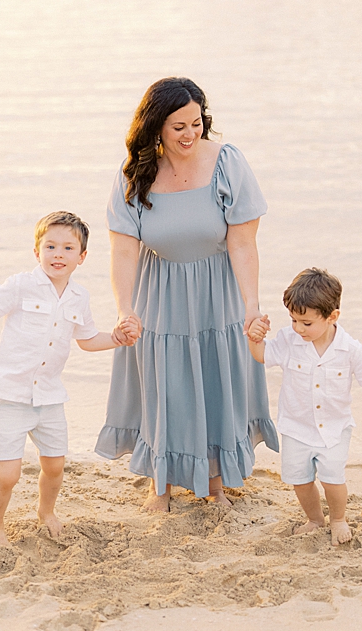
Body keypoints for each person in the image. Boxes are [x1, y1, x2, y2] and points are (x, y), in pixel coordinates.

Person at [95, 77, 280, 511]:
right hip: (159, 292)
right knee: (166, 385)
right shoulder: (134, 174)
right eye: (178, 126)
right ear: (156, 126)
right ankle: (161, 485)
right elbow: (123, 251)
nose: (189, 134)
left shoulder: (227, 163)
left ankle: (215, 483)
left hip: (219, 292)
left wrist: (251, 307)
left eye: (196, 123)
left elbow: (242, 242)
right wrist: (125, 310)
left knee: (216, 379)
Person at [0, 212, 135, 544]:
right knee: (8, 475)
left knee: (54, 467)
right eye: (50, 246)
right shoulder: (21, 285)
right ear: (37, 251)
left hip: (50, 397)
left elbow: (88, 340)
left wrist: (118, 338)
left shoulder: (79, 297)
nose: (58, 254)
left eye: (67, 248)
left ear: (81, 257)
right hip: (10, 395)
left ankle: (46, 511)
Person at [246, 267, 362, 545]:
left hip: (334, 429)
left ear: (332, 317)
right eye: (293, 319)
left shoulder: (350, 348)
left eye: (306, 323)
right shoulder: (288, 340)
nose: (298, 328)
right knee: (300, 479)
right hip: (296, 427)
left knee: (333, 478)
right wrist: (254, 338)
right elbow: (262, 356)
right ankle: (314, 518)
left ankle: (337, 518)